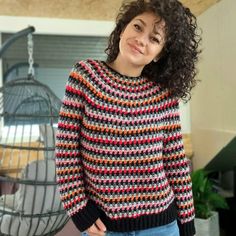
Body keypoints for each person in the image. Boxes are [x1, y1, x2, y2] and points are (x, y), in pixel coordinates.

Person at [55, 0, 201, 235]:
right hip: (104, 228)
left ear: (159, 54)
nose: (142, 40)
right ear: (123, 28)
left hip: (162, 227)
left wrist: (187, 223)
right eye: (137, 27)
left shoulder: (164, 95)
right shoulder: (85, 76)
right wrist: (79, 208)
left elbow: (175, 164)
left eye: (154, 39)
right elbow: (66, 152)